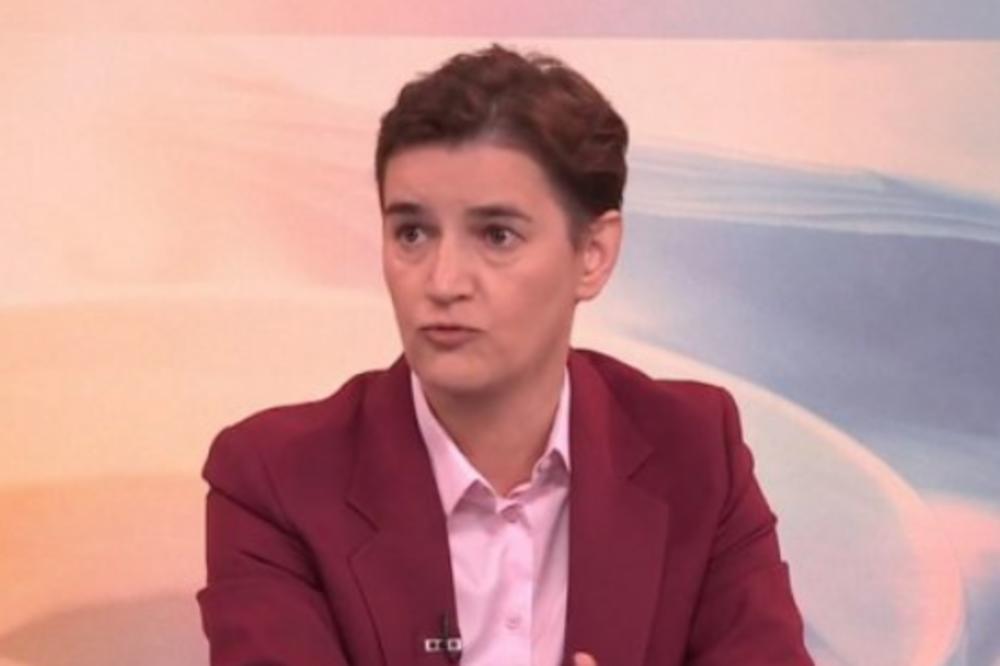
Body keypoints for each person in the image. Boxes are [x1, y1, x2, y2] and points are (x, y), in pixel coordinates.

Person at [196, 43, 813, 666]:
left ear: (593, 254)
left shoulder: (696, 451)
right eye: (412, 232)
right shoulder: (276, 478)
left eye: (497, 236)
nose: (443, 281)